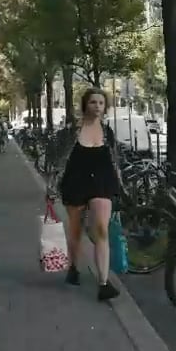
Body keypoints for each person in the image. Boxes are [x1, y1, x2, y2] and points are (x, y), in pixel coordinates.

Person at [52, 87, 124, 301]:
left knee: (101, 229)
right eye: (93, 102)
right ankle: (73, 267)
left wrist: (120, 183)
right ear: (85, 104)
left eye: (101, 103)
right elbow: (60, 160)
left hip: (102, 182)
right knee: (75, 231)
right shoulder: (72, 131)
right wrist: (51, 186)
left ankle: (103, 283)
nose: (97, 106)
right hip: (75, 182)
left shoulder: (108, 132)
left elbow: (115, 160)